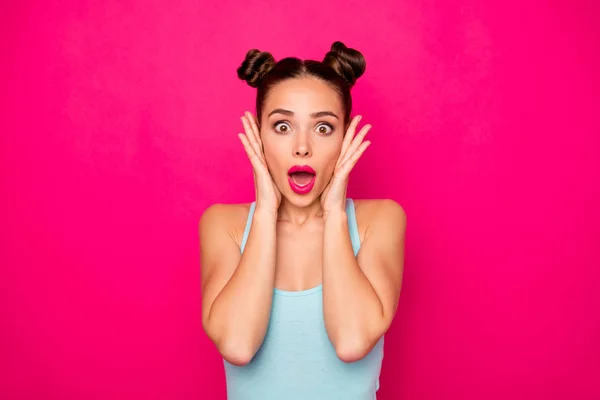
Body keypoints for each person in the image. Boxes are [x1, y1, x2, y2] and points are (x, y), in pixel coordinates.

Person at [199, 41, 406, 400]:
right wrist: (265, 210)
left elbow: (353, 342)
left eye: (323, 128)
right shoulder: (224, 225)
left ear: (346, 137)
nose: (302, 147)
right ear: (258, 135)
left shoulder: (381, 219)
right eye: (282, 126)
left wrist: (335, 211)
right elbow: (237, 346)